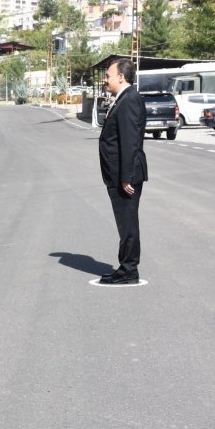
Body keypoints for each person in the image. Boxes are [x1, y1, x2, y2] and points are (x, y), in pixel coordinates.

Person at [98, 58, 148, 284]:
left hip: (124, 176)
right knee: (124, 222)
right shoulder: (124, 98)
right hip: (119, 174)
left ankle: (129, 271)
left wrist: (126, 176)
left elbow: (130, 141)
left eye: (108, 75)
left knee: (127, 223)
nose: (105, 79)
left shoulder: (129, 100)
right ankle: (125, 267)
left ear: (121, 76)